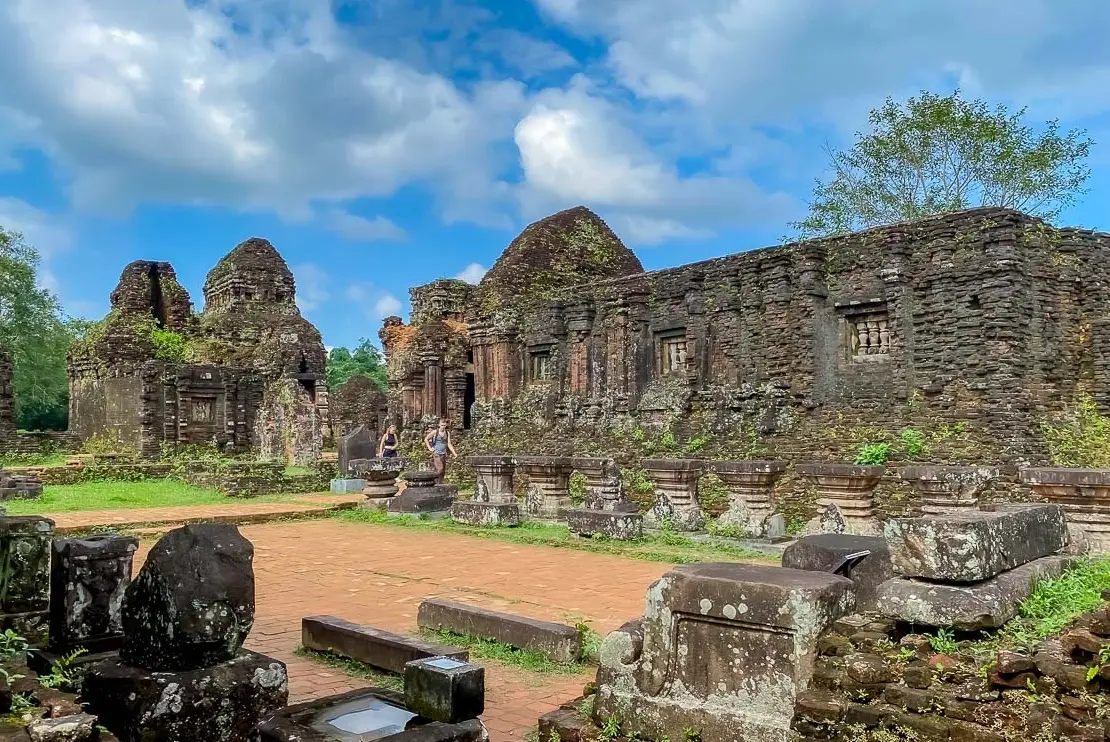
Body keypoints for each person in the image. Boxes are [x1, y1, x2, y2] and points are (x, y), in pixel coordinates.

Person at [425, 418, 457, 484]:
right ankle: (434, 481)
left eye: (444, 425)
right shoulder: (435, 432)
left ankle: (439, 483)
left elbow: (449, 444)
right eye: (442, 425)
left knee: (442, 471)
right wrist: (430, 448)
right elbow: (426, 439)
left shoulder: (447, 433)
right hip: (436, 452)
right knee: (440, 468)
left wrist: (454, 453)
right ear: (439, 425)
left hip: (443, 453)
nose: (443, 427)